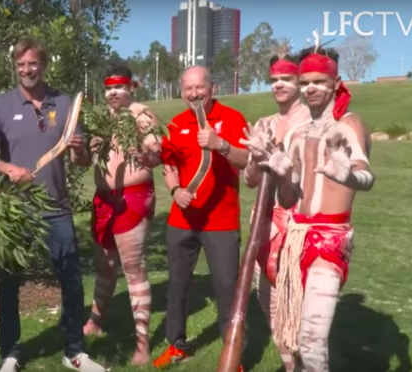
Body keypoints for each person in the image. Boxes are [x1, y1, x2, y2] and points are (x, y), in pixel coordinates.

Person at [0, 37, 106, 372]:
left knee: (71, 279)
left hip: (56, 208)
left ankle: (74, 351)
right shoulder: (2, 106)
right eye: (21, 65)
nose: (27, 70)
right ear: (15, 67)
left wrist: (80, 149)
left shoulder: (63, 103)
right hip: (15, 209)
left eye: (33, 63)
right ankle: (10, 351)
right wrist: (9, 169)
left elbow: (80, 162)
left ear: (44, 64)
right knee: (8, 281)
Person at [257, 45, 374, 371]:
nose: (310, 88)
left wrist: (348, 175)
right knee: (293, 333)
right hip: (296, 238)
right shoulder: (299, 135)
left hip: (330, 242)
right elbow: (288, 199)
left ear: (335, 83)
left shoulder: (348, 124)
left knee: (311, 340)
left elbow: (367, 176)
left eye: (319, 82)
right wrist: (281, 174)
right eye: (305, 81)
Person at [153, 66, 249, 370]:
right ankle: (176, 346)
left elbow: (248, 160)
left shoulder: (232, 119)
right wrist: (175, 190)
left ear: (212, 87)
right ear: (181, 91)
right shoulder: (176, 124)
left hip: (221, 222)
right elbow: (168, 167)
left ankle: (232, 355)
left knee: (226, 290)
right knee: (178, 287)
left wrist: (220, 144)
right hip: (182, 221)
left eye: (199, 88)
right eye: (187, 89)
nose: (193, 94)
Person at [83, 63, 163, 366]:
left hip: (133, 199)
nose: (113, 92)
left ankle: (142, 345)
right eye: (109, 87)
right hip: (104, 199)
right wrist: (86, 148)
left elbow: (157, 154)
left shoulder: (142, 114)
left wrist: (145, 152)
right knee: (104, 266)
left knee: (133, 268)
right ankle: (95, 322)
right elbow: (89, 159)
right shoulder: (105, 118)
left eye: (119, 86)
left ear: (132, 87)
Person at [239, 53, 311, 372]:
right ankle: (289, 367)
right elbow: (250, 180)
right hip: (263, 226)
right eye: (273, 80)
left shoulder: (313, 124)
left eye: (286, 79)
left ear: (300, 82)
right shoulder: (264, 123)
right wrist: (254, 157)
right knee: (267, 302)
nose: (278, 84)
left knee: (298, 308)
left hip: (298, 226)